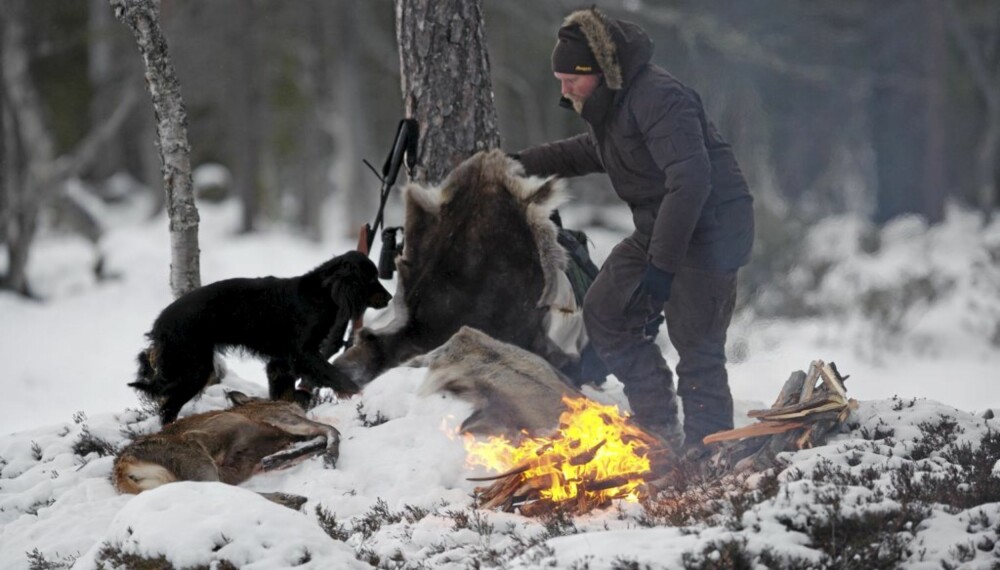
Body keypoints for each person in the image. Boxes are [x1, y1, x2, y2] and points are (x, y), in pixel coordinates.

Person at [513, 8, 754, 457]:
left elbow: (692, 182)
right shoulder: (610, 102)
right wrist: (524, 162)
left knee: (697, 346)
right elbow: (595, 149)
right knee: (606, 311)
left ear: (600, 71)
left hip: (711, 231)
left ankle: (709, 455)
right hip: (662, 224)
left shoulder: (661, 98)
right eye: (559, 78)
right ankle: (657, 427)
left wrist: (662, 270)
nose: (564, 89)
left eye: (572, 79)